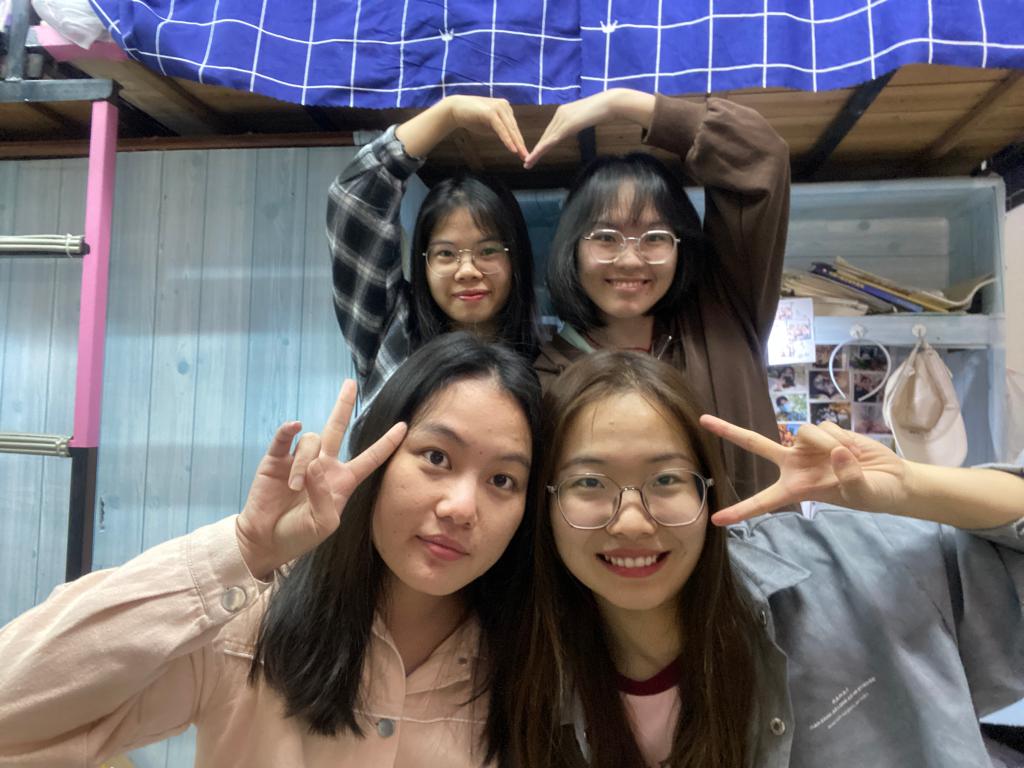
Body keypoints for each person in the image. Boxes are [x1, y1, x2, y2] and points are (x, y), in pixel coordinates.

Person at [0, 333, 541, 768]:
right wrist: (242, 549)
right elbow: (12, 712)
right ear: (376, 458)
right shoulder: (254, 628)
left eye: (502, 480)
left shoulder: (528, 670)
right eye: (437, 458)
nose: (461, 507)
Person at [506, 350, 1024, 768]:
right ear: (544, 502)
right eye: (589, 483)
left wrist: (911, 486)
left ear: (708, 487)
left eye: (665, 479)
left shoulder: (845, 567)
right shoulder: (517, 671)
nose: (632, 523)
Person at [528, 88, 790, 502]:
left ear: (679, 246)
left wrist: (618, 103)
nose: (630, 260)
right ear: (572, 249)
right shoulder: (545, 382)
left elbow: (761, 155)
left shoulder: (723, 312)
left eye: (654, 237)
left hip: (764, 544)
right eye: (606, 237)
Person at [328, 95, 541, 414]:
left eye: (487, 250)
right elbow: (353, 199)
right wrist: (447, 113)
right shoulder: (392, 333)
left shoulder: (543, 370)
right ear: (423, 262)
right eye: (446, 254)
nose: (467, 270)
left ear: (515, 259)